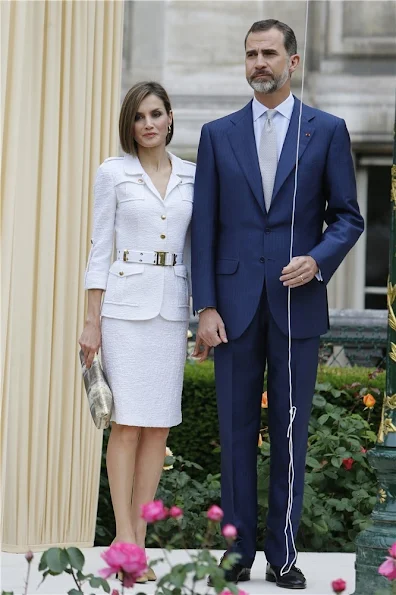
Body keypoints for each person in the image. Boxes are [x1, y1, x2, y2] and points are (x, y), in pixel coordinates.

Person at [192, 19, 364, 590]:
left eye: (269, 53)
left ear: (293, 61)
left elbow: (347, 217)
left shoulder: (328, 130)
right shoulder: (218, 134)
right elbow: (207, 229)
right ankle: (237, 553)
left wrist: (318, 259)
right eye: (250, 54)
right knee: (236, 430)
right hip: (233, 308)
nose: (258, 63)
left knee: (291, 430)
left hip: (298, 303)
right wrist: (206, 306)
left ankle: (284, 556)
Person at [79, 81, 195, 583]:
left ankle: (138, 542)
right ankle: (125, 540)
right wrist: (91, 321)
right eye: (138, 116)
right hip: (123, 313)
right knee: (125, 424)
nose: (148, 123)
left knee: (159, 426)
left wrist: (202, 312)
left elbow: (197, 247)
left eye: (155, 113)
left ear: (170, 117)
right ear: (130, 125)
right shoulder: (113, 172)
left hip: (171, 310)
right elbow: (99, 247)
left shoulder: (195, 175)